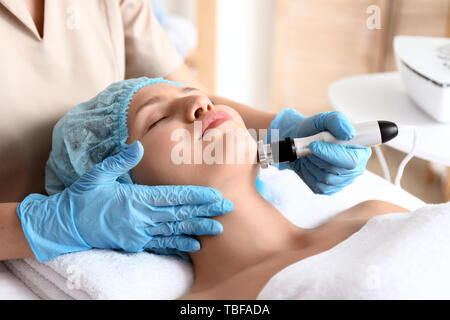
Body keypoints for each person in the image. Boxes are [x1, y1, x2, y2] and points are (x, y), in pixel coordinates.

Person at [0, 0, 369, 263]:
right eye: (157, 121)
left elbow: (180, 89)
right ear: (131, 188)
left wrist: (281, 129)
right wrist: (47, 225)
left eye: (196, 100)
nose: (201, 106)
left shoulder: (374, 219)